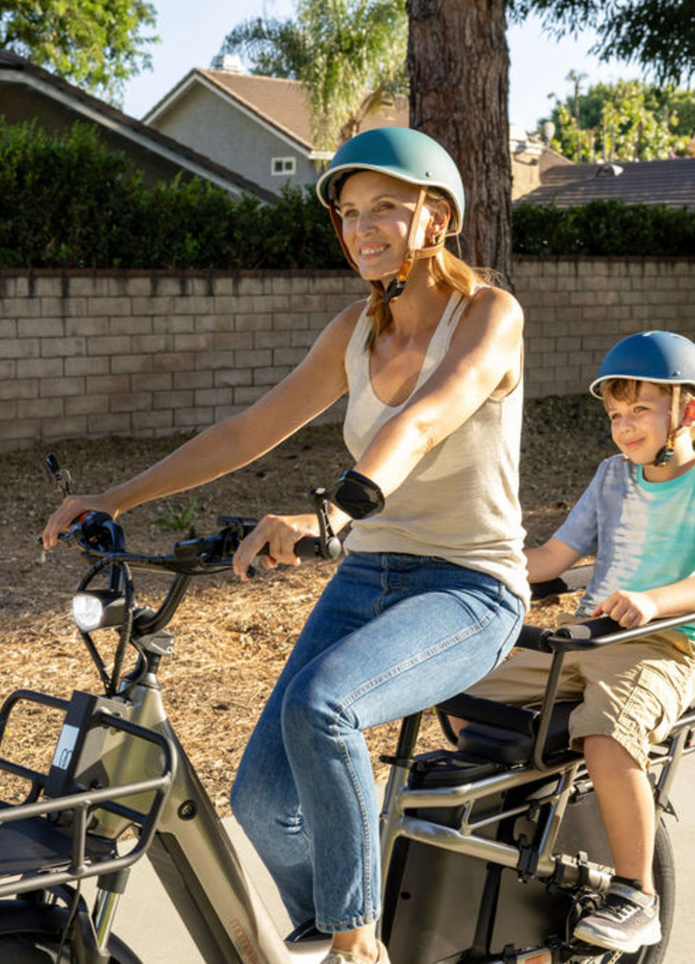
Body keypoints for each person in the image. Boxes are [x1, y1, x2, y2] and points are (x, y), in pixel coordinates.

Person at [41, 127, 528, 964]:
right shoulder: (355, 330)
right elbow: (248, 429)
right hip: (371, 576)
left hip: (470, 587)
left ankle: (356, 942)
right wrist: (113, 496)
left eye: (385, 208)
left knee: (322, 707)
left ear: (436, 217)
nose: (361, 229)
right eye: (347, 214)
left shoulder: (486, 313)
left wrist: (333, 517)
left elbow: (426, 418)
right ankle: (340, 919)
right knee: (263, 801)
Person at [459, 330, 695, 955]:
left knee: (607, 732)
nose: (624, 425)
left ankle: (638, 895)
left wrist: (653, 601)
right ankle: (514, 806)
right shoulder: (612, 475)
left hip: (663, 646)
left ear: (686, 413)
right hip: (585, 639)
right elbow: (556, 554)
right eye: (615, 414)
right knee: (457, 677)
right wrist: (481, 567)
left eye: (639, 409)